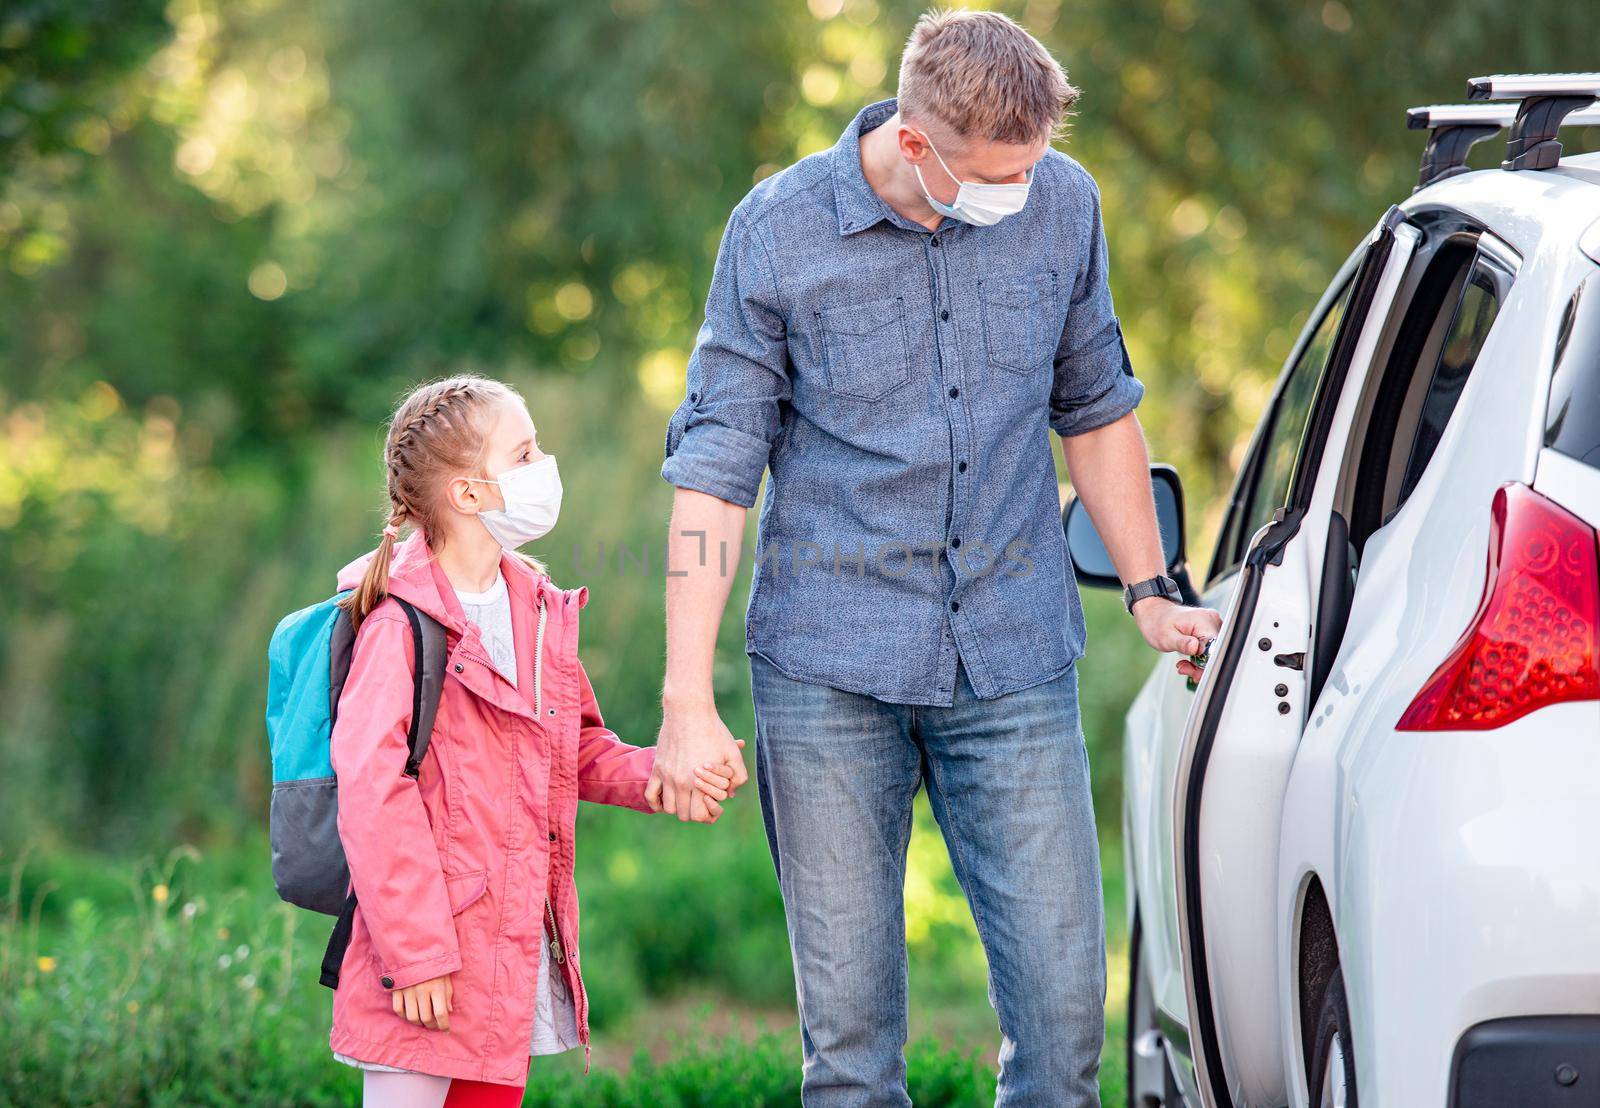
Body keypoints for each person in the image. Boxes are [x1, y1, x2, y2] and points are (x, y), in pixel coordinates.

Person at [653, 10, 1222, 1106]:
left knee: (1064, 1032)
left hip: (1012, 653)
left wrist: (1150, 590)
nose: (1020, 191)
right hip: (826, 668)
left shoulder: (1062, 203)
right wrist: (686, 697)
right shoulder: (775, 233)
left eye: (1033, 165)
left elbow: (1095, 406)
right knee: (852, 1056)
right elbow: (716, 467)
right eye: (995, 174)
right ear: (915, 143)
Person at [324, 375, 740, 1107]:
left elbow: (573, 748)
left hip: (506, 951)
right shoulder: (399, 624)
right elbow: (371, 793)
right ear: (468, 494)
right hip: (425, 964)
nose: (546, 463)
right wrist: (417, 956)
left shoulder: (537, 609)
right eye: (524, 453)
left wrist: (665, 774)